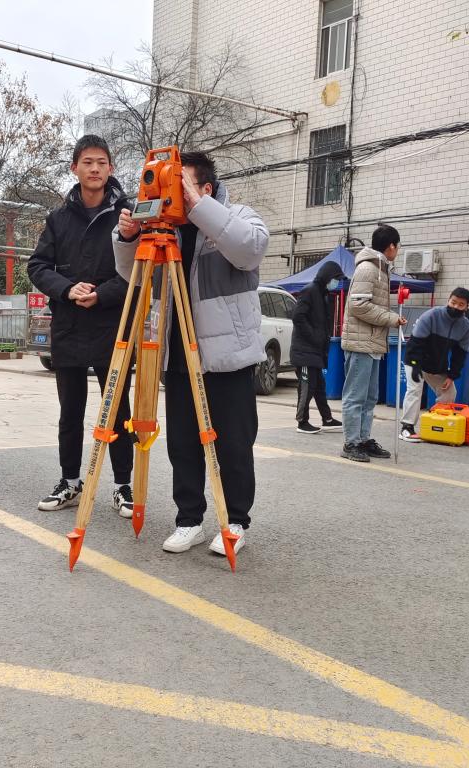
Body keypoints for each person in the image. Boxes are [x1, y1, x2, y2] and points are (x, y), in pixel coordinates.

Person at [114, 151, 268, 556]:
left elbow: (250, 249)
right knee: (182, 444)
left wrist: (200, 209)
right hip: (177, 353)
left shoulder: (237, 216)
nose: (169, 193)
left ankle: (234, 521)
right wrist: (128, 238)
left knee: (233, 445)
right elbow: (132, 274)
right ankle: (189, 520)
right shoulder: (164, 228)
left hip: (227, 356)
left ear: (206, 188)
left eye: (179, 185)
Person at [27, 135, 134, 514]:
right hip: (69, 325)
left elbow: (138, 270)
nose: (94, 169)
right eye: (87, 162)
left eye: (101, 162)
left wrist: (103, 294)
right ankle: (70, 481)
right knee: (70, 411)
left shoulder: (127, 216)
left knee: (118, 409)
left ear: (111, 168)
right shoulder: (59, 219)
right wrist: (67, 289)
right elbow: (37, 266)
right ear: (74, 167)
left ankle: (123, 485)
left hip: (111, 325)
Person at [340, 225, 408, 462]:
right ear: (391, 246)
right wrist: (390, 318)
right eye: (397, 246)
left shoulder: (380, 268)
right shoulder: (368, 268)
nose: (397, 251)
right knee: (355, 396)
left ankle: (363, 439)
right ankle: (351, 443)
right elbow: (358, 306)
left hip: (372, 342)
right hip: (361, 343)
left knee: (369, 398)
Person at [398, 287, 469, 442]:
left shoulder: (465, 326)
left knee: (449, 392)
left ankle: (437, 424)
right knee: (415, 390)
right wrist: (415, 366)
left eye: (461, 304)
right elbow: (415, 343)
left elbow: (460, 354)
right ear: (448, 300)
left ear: (467, 307)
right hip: (416, 360)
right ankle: (406, 428)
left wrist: (452, 376)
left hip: (437, 366)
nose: (456, 306)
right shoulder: (432, 315)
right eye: (453, 302)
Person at [289, 261, 345, 434]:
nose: (336, 283)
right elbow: (298, 317)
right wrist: (314, 336)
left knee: (319, 386)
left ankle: (327, 419)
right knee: (307, 386)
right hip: (304, 350)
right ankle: (302, 421)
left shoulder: (323, 294)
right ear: (327, 277)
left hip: (315, 351)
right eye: (335, 279)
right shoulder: (309, 291)